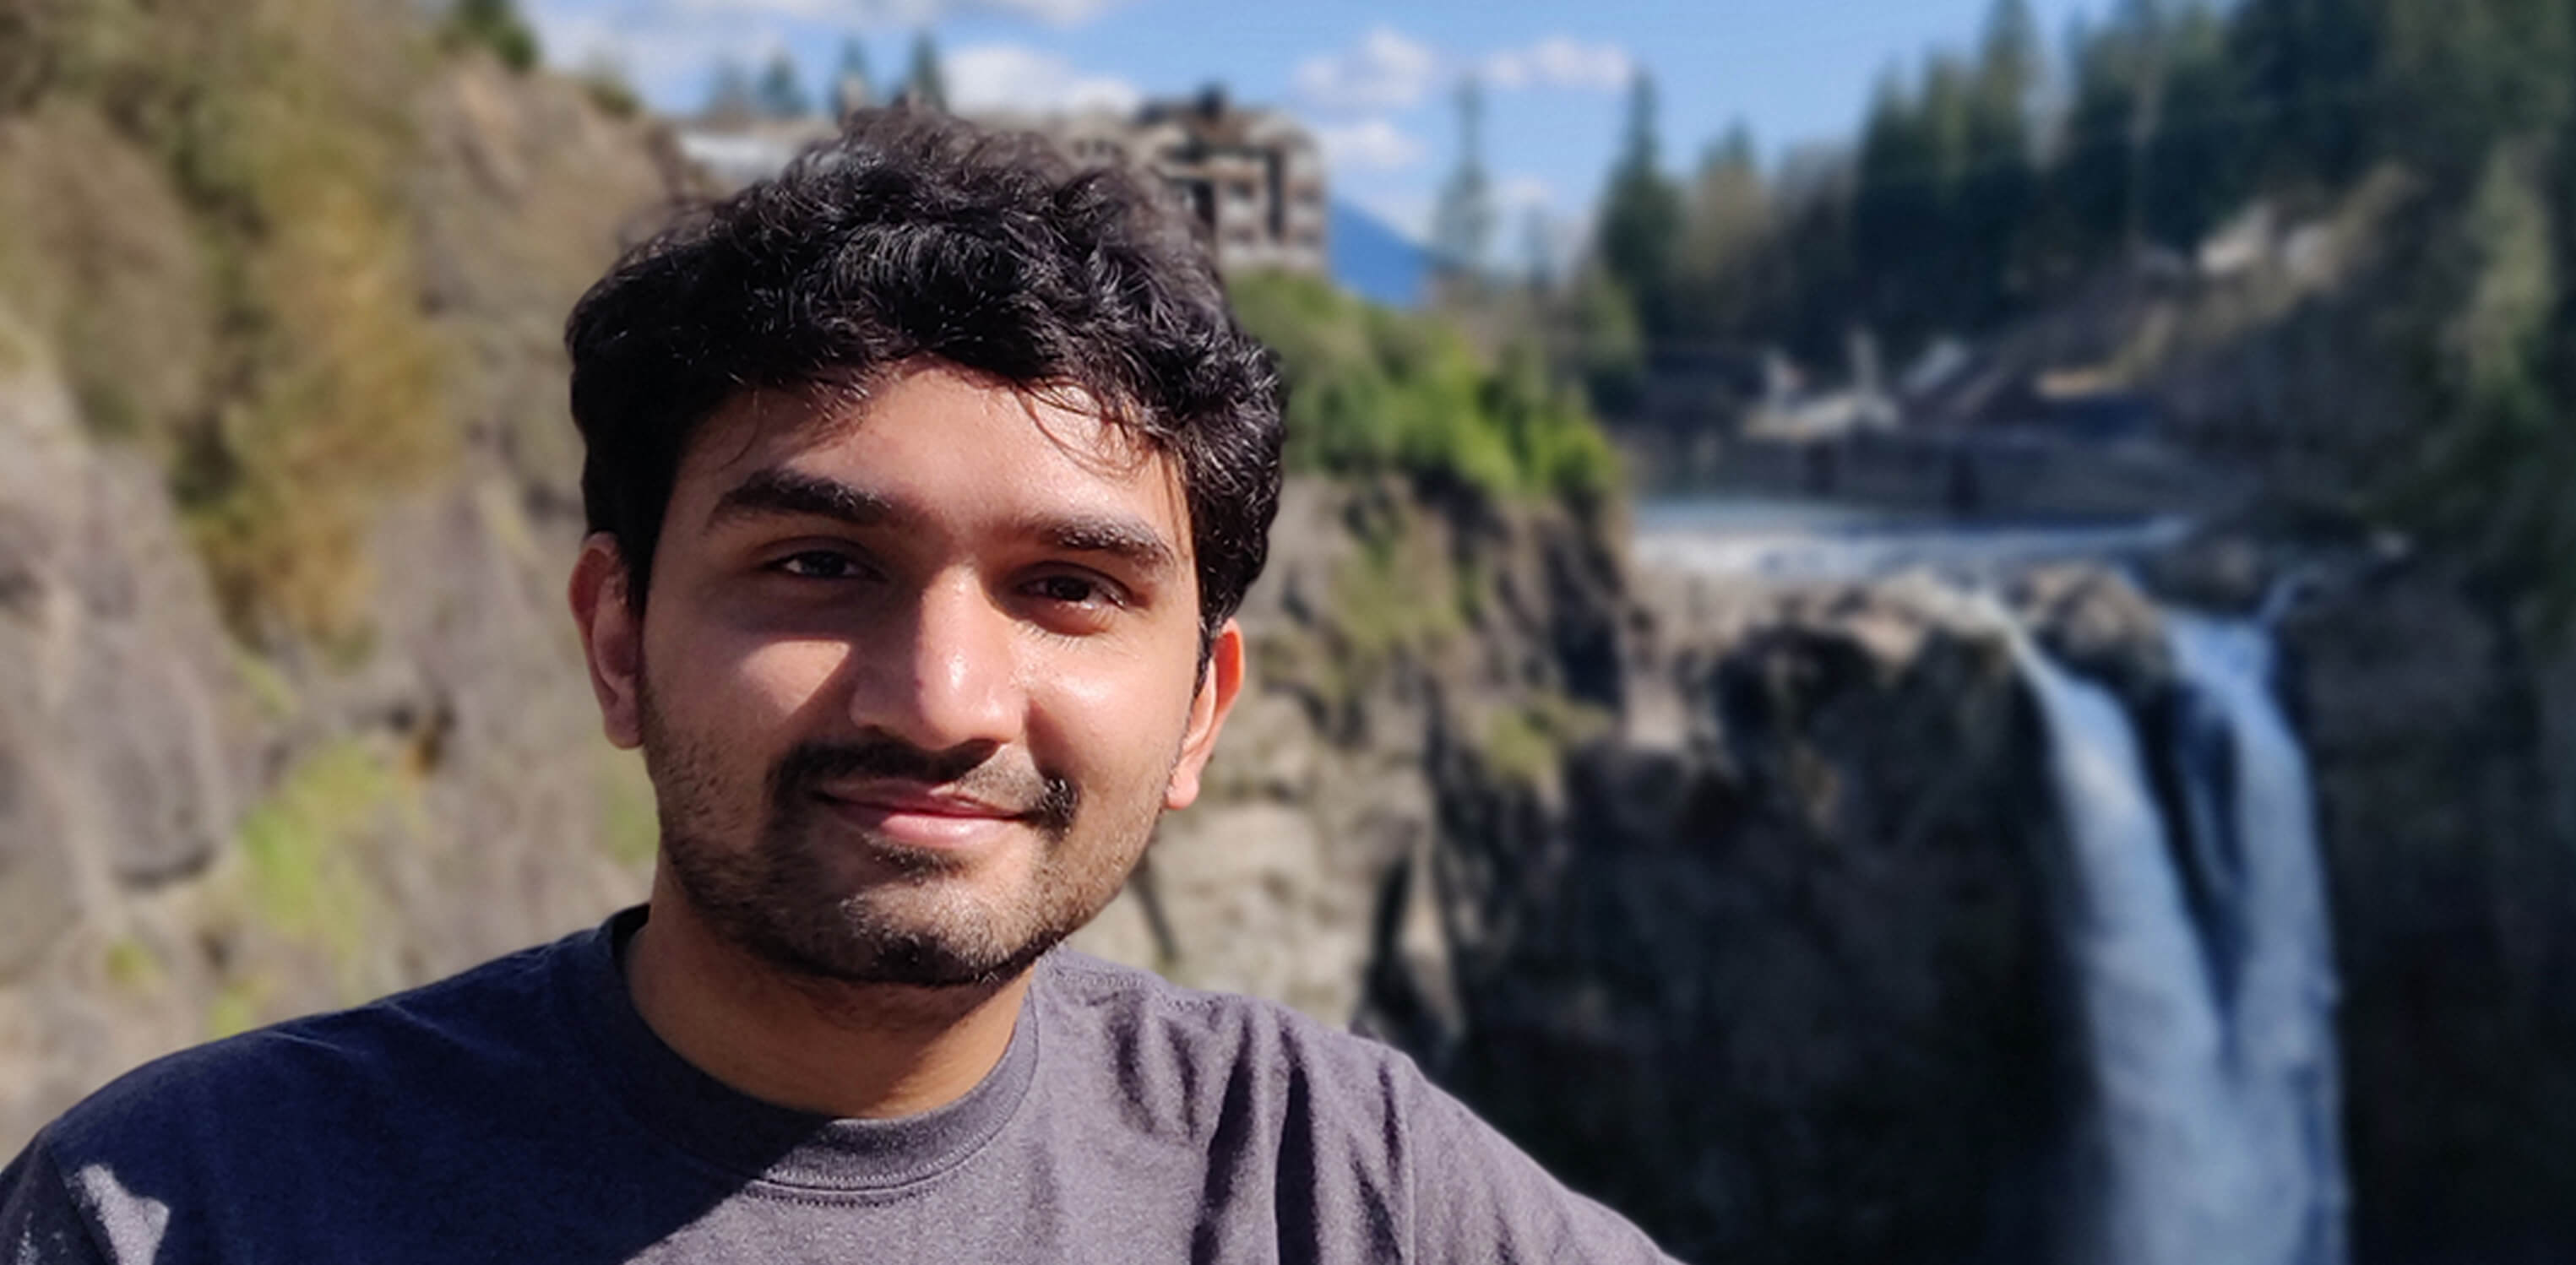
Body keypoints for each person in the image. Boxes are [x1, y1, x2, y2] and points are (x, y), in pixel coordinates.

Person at [0, 109, 1682, 1263]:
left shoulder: (1335, 1181)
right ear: (614, 633)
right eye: (818, 564)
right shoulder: (189, 1206)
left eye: (1067, 589)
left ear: (1200, 711)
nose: (943, 695)